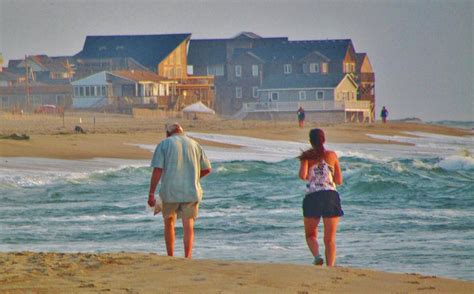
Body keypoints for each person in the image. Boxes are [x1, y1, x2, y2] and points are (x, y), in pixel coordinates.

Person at [148, 123, 212, 259]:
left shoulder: (164, 144)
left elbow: (157, 170)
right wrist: (193, 177)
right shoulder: (195, 144)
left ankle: (170, 255)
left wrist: (151, 193)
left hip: (170, 191)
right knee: (188, 224)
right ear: (182, 132)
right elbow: (207, 169)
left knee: (169, 221)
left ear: (168, 133)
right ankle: (187, 256)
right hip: (191, 191)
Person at [298, 128, 343, 266]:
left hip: (313, 197)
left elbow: (302, 176)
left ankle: (317, 256)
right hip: (330, 196)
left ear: (310, 141)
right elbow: (339, 180)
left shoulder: (307, 156)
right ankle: (330, 268)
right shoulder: (332, 155)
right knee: (329, 240)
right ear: (323, 140)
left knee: (311, 235)